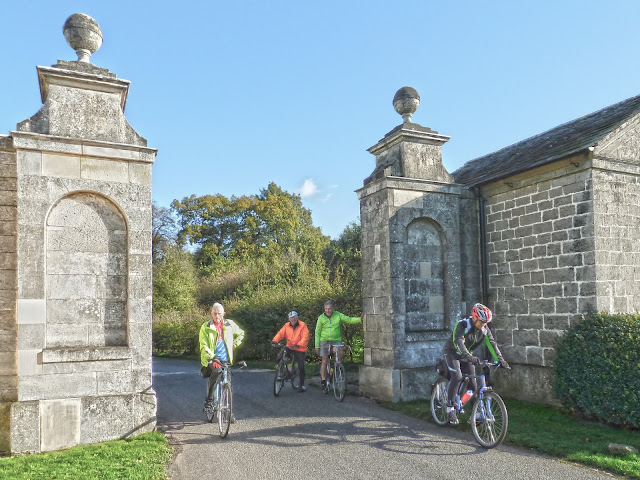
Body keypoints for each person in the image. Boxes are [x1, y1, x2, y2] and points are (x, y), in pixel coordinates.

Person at [442, 303, 509, 425]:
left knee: (473, 387)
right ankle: (450, 408)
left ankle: (475, 415)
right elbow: (458, 342)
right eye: (482, 322)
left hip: (468, 356)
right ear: (474, 317)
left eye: (486, 323)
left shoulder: (484, 329)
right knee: (457, 377)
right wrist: (469, 356)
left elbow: (492, 344)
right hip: (452, 353)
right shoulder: (462, 325)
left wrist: (501, 359)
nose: (484, 325)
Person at [199, 302, 245, 421]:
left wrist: (234, 344)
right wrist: (213, 357)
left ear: (223, 314)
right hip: (211, 359)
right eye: (215, 313)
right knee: (216, 372)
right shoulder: (206, 327)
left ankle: (229, 413)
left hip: (226, 360)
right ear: (211, 313)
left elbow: (241, 333)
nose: (217, 316)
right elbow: (204, 345)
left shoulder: (229, 324)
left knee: (228, 384)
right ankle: (209, 402)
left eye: (219, 313)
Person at [315, 300, 364, 393]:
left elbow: (349, 319)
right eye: (326, 309)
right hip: (324, 341)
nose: (328, 310)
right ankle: (323, 380)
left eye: (329, 308)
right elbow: (317, 332)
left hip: (336, 340)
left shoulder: (338, 315)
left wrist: (359, 319)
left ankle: (336, 368)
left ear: (333, 308)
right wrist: (317, 346)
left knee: (340, 353)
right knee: (324, 360)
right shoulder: (321, 318)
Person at [272, 311, 310, 392]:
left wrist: (299, 344)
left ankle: (301, 385)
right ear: (289, 319)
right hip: (289, 346)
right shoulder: (286, 325)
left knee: (301, 366)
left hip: (299, 348)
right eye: (291, 318)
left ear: (297, 317)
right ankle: (283, 372)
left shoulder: (303, 325)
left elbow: (305, 337)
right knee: (279, 358)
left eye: (294, 317)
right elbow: (280, 334)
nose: (292, 319)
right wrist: (275, 341)